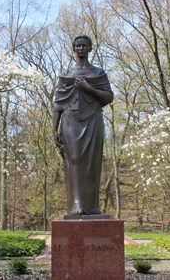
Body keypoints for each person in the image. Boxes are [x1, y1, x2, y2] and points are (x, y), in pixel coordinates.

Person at [52, 35, 114, 215]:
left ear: (90, 49)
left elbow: (109, 97)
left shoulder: (98, 73)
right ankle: (76, 205)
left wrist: (89, 88)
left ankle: (92, 207)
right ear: (73, 48)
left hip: (93, 120)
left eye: (84, 45)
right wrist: (54, 129)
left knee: (92, 163)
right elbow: (58, 104)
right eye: (78, 45)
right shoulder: (66, 74)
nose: (81, 48)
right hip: (70, 121)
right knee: (74, 160)